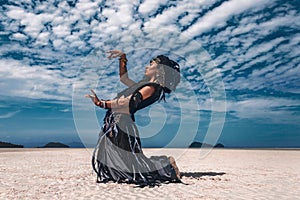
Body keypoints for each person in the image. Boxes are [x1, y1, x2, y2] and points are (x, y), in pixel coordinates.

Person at [86, 50, 181, 187]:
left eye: (151, 64)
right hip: (114, 122)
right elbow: (124, 79)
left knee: (133, 169)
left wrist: (102, 103)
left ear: (160, 70)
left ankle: (166, 166)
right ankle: (161, 163)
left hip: (122, 124)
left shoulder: (152, 88)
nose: (146, 66)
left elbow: (128, 102)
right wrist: (122, 58)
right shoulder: (143, 85)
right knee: (118, 166)